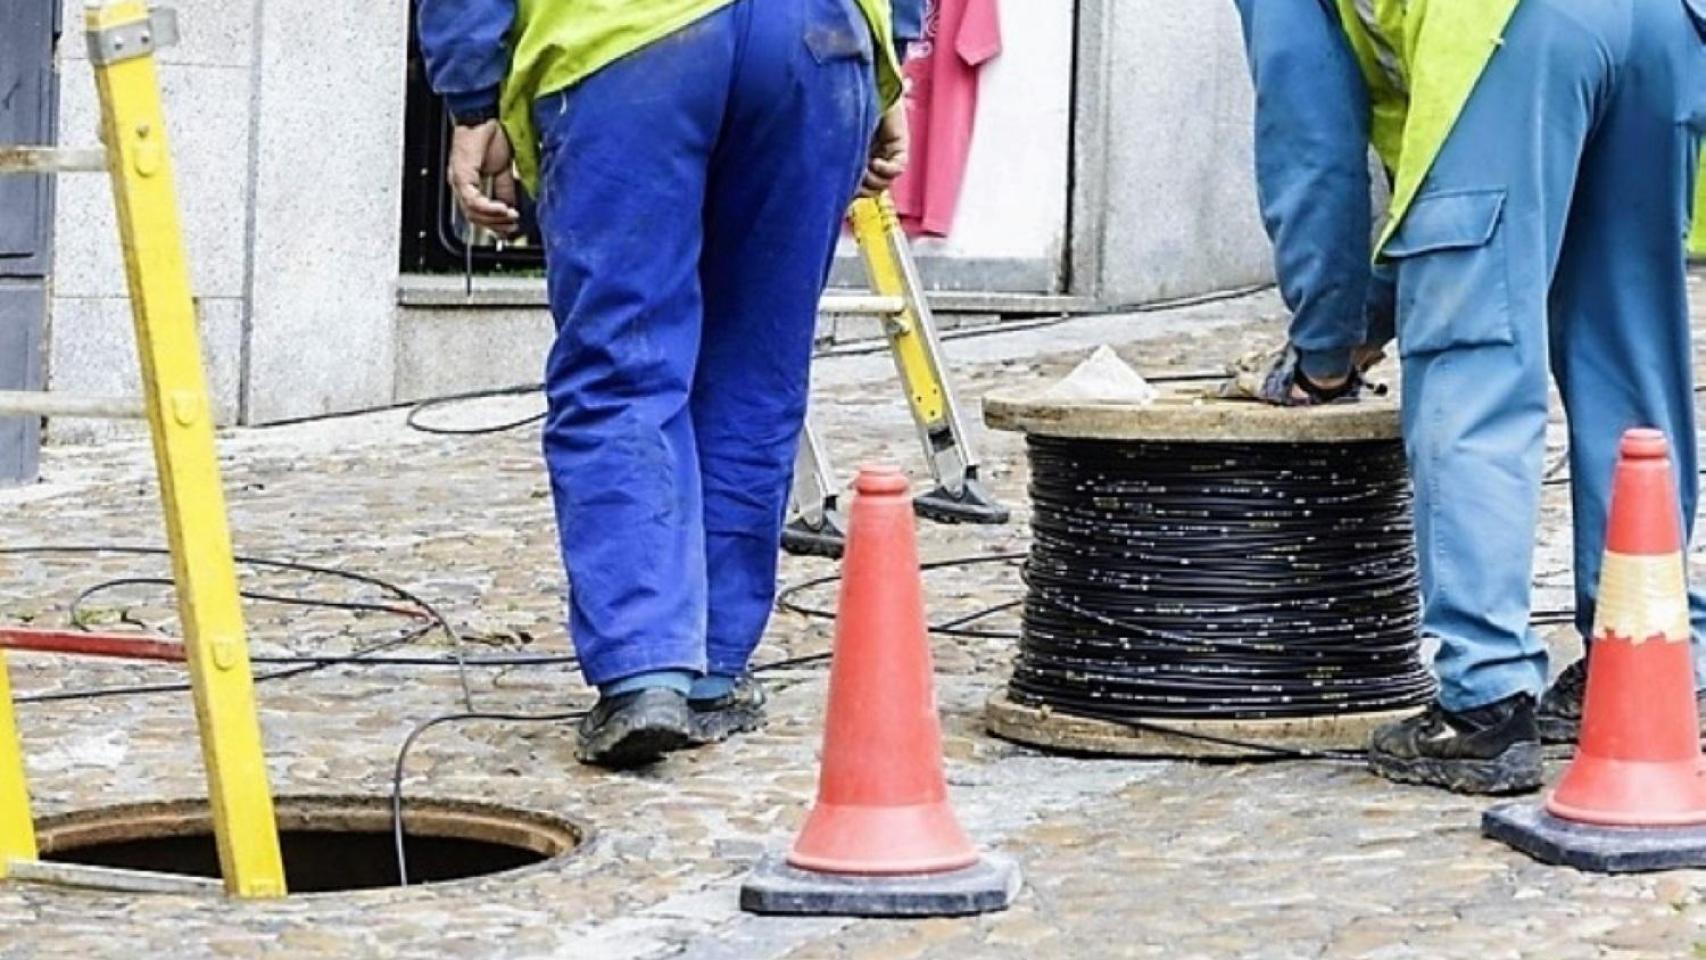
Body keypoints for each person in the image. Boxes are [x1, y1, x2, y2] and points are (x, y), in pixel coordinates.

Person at [1230, 0, 1706, 794]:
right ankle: (1648, 658)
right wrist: (1371, 314)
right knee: (1628, 358)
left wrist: (1322, 349)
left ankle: (1483, 706)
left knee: (1474, 361)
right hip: (1667, 24)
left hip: (1505, 27)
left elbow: (1312, 141)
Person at [417, 0, 907, 768]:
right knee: (757, 368)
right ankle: (711, 669)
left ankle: (646, 668)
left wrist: (474, 93)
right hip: (818, 39)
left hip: (626, 37)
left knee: (623, 366)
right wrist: (890, 58)